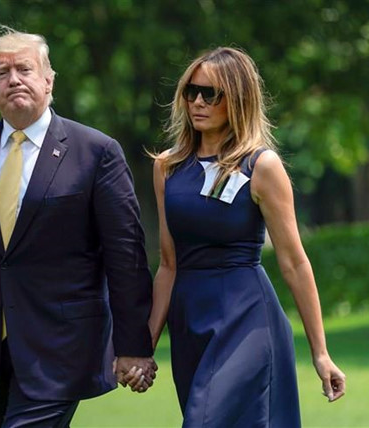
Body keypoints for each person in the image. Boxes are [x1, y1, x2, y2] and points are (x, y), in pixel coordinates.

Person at [0, 26, 156, 428]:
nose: (14, 80)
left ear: (48, 80)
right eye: (1, 73)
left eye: (24, 69)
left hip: (63, 347)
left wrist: (133, 345)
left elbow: (125, 255)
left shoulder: (96, 152)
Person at [139, 47, 347, 426]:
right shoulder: (167, 167)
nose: (197, 102)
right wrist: (146, 345)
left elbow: (294, 262)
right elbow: (168, 265)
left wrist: (321, 353)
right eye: (191, 92)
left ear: (238, 99)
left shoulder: (261, 166)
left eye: (210, 94)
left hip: (246, 319)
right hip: (189, 323)